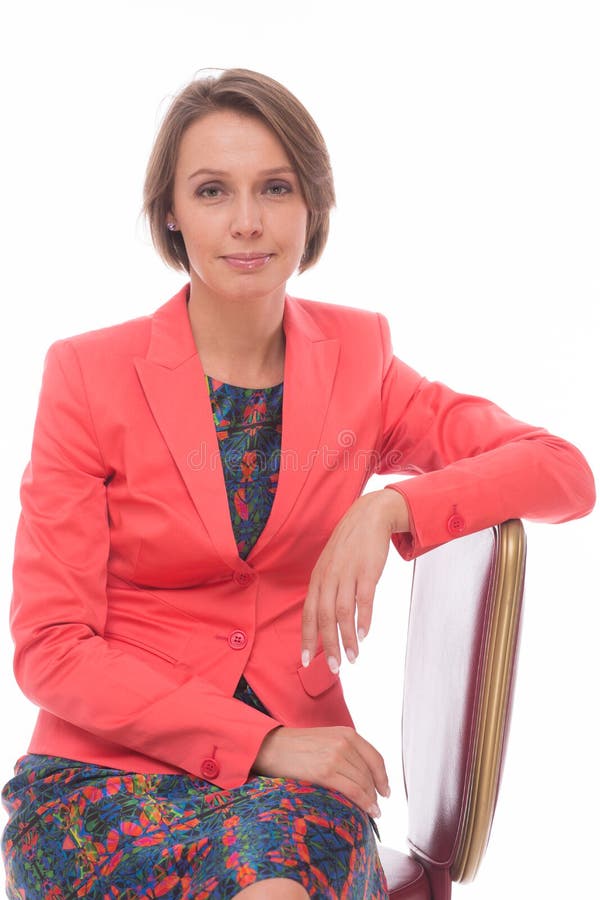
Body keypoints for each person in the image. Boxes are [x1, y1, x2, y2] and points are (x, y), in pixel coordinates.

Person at [1, 68, 595, 900]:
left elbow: (562, 471)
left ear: (312, 205)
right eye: (212, 191)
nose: (247, 222)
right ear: (170, 211)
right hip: (102, 779)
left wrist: (391, 506)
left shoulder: (360, 362)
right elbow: (51, 648)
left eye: (275, 188)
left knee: (274, 883)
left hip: (299, 795)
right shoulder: (87, 376)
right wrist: (265, 741)